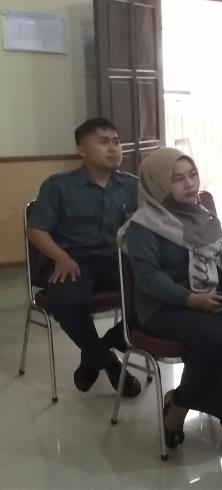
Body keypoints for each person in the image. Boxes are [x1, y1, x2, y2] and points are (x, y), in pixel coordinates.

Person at [121, 147, 222, 448]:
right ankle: (180, 405)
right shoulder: (144, 224)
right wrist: (192, 299)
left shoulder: (203, 216)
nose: (190, 184)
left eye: (193, 175)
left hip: (207, 298)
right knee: (219, 337)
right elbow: (149, 278)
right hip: (162, 307)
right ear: (158, 184)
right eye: (177, 179)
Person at [26, 117, 142, 397]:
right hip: (72, 261)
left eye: (116, 142)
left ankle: (100, 348)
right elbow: (36, 229)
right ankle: (109, 362)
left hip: (116, 260)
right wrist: (60, 256)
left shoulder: (132, 185)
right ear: (82, 149)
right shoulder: (59, 186)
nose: (113, 148)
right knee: (66, 301)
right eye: (103, 142)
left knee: (156, 292)